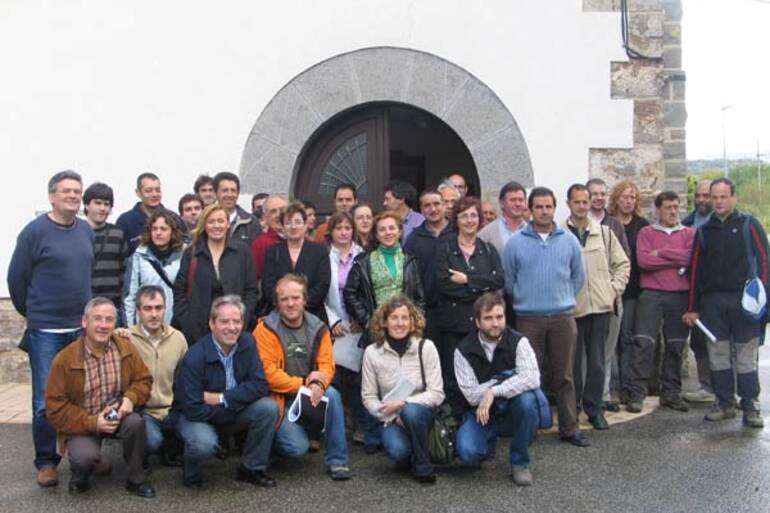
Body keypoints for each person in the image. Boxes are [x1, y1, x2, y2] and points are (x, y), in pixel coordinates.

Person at [7, 170, 94, 487]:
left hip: (81, 331)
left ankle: (83, 456)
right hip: (45, 331)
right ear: (52, 196)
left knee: (82, 397)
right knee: (45, 401)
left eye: (77, 191)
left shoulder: (85, 230)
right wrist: (34, 314)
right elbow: (16, 280)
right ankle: (46, 462)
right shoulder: (34, 232)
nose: (73, 196)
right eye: (67, 191)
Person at [502, 187, 589, 447]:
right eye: (538, 207)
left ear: (554, 208)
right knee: (529, 375)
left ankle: (569, 427)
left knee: (564, 375)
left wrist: (562, 299)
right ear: (530, 209)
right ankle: (530, 427)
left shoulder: (569, 241)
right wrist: (526, 299)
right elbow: (509, 279)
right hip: (528, 319)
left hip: (562, 317)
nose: (543, 211)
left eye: (548, 207)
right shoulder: (515, 242)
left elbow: (578, 276)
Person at [45, 298, 155, 497]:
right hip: (84, 421)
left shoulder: (126, 348)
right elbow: (55, 408)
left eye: (109, 320)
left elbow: (144, 380)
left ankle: (135, 480)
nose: (104, 325)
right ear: (85, 322)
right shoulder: (64, 360)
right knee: (84, 457)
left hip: (118, 415)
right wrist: (94, 422)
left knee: (136, 422)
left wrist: (130, 398)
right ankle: (81, 474)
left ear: (115, 324)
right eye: (98, 319)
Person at [684, 178, 769, 428]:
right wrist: (692, 307)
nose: (718, 201)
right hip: (713, 304)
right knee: (718, 356)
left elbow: (765, 263)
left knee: (745, 355)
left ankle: (750, 405)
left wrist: (763, 303)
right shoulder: (704, 230)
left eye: (723, 196)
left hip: (744, 302)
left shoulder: (748, 224)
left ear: (733, 198)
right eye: (715, 197)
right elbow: (695, 271)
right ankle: (724, 403)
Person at [254, 274, 352, 480]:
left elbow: (327, 364)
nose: (290, 303)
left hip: (308, 394)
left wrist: (318, 382)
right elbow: (268, 373)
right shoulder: (264, 329)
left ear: (305, 300)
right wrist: (303, 384)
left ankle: (338, 461)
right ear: (276, 303)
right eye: (284, 299)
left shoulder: (318, 327)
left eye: (296, 298)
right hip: (278, 399)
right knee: (297, 448)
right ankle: (274, 443)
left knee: (332, 394)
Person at [173, 295, 278, 488]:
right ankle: (191, 472)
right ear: (212, 324)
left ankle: (251, 468)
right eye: (224, 322)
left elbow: (260, 386)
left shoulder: (247, 342)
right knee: (203, 443)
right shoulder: (195, 356)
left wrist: (222, 398)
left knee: (268, 408)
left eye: (236, 321)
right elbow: (192, 408)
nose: (232, 327)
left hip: (226, 409)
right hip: (196, 418)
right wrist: (232, 405)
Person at [452, 292, 540, 487]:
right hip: (481, 413)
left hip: (512, 408)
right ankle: (488, 439)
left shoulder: (519, 341)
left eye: (499, 317)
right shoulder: (463, 350)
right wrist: (508, 378)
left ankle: (520, 462)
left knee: (527, 401)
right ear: (477, 322)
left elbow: (532, 378)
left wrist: (494, 391)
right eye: (488, 318)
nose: (495, 323)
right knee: (468, 454)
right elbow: (472, 395)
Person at [563, 184, 629, 430]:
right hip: (572, 308)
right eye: (577, 202)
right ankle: (574, 408)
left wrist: (612, 290)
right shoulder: (560, 235)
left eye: (585, 201)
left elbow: (622, 264)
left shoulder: (604, 234)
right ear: (569, 204)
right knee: (572, 363)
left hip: (600, 307)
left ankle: (594, 409)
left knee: (597, 362)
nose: (582, 206)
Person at [361, 295, 444, 484]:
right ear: (384, 322)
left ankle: (423, 466)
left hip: (422, 414)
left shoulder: (426, 347)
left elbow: (437, 393)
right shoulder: (372, 353)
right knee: (397, 451)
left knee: (411, 412)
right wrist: (390, 415)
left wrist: (404, 405)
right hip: (391, 417)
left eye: (405, 318)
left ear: (412, 321)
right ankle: (408, 454)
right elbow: (369, 396)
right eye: (394, 318)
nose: (400, 323)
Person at [625, 191, 695, 413]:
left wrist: (662, 252)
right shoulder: (646, 232)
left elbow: (690, 258)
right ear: (658, 209)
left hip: (679, 295)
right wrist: (675, 258)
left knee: (675, 346)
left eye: (676, 206)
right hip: (651, 295)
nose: (673, 211)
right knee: (644, 343)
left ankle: (671, 393)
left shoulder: (689, 233)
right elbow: (644, 261)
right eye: (668, 207)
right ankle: (637, 393)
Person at [435, 196, 505, 408]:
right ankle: (456, 422)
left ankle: (483, 418)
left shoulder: (488, 249)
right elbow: (444, 285)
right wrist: (480, 290)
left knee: (482, 373)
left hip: (482, 326)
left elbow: (498, 280)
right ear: (456, 219)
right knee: (454, 376)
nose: (469, 220)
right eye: (464, 216)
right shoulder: (445, 248)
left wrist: (467, 280)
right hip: (453, 324)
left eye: (473, 215)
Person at [323, 212, 376, 446]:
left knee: (358, 378)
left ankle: (361, 425)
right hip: (333, 326)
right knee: (334, 377)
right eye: (339, 228)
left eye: (347, 228)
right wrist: (333, 320)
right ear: (331, 232)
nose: (344, 232)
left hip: (358, 326)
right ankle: (335, 425)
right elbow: (320, 294)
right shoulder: (323, 258)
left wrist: (361, 318)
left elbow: (368, 291)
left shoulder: (363, 256)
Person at [173, 204, 259, 344]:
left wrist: (244, 318)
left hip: (234, 327)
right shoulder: (192, 252)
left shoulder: (242, 251)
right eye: (211, 221)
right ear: (204, 225)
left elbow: (251, 290)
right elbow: (180, 289)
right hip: (198, 330)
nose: (216, 226)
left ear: (227, 224)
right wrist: (187, 322)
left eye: (220, 221)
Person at [344, 212, 425, 348]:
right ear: (376, 235)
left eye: (392, 228)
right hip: (377, 329)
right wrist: (366, 320)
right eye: (382, 229)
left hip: (405, 326)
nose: (388, 233)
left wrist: (415, 321)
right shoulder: (364, 261)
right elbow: (349, 293)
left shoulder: (410, 259)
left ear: (399, 232)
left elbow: (420, 296)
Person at [127, 285, 188, 465]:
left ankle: (170, 447)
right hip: (144, 411)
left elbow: (184, 378)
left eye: (158, 308)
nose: (154, 314)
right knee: (152, 442)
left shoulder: (178, 338)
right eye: (148, 308)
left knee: (199, 439)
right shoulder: (126, 338)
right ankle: (143, 456)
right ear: (138, 311)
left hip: (171, 410)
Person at [606, 180, 649, 410]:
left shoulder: (643, 225)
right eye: (624, 196)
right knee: (611, 341)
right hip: (611, 290)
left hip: (633, 290)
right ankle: (613, 386)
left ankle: (628, 386)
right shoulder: (608, 223)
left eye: (632, 197)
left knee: (628, 339)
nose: (628, 201)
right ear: (616, 199)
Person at [261, 202, 331, 322]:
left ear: (305, 225)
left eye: (298, 222)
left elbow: (323, 283)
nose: (293, 226)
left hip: (313, 316)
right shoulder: (273, 252)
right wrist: (286, 306)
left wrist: (299, 306)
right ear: (282, 227)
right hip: (280, 317)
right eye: (288, 222)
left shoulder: (319, 250)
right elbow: (268, 285)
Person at [403, 189, 455, 342]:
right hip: (427, 313)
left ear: (444, 206)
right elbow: (409, 278)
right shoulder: (413, 239)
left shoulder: (457, 233)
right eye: (427, 206)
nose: (433, 209)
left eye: (437, 204)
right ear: (421, 210)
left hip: (455, 310)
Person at [681, 178, 715, 404]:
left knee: (721, 342)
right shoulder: (688, 222)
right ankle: (707, 387)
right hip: (693, 291)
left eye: (706, 196)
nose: (701, 200)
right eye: (698, 195)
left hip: (715, 292)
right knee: (698, 341)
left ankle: (729, 390)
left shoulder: (725, 222)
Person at [124, 209, 185, 327]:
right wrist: (130, 330)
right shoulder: (139, 256)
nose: (158, 233)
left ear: (173, 232)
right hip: (145, 327)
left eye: (163, 229)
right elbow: (129, 296)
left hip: (176, 326)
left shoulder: (184, 255)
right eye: (154, 229)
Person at [83, 182, 130, 321]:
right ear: (86, 205)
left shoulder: (118, 234)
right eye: (97, 203)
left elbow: (125, 271)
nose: (103, 208)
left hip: (112, 307)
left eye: (107, 204)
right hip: (84, 307)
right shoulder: (76, 233)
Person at [116, 173, 184, 255]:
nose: (154, 194)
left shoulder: (174, 218)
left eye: (158, 190)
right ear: (138, 193)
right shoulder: (125, 221)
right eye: (149, 191)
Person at [478, 181, 528, 256]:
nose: (517, 204)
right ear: (501, 203)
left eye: (521, 200)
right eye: (513, 200)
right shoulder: (486, 234)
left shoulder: (533, 232)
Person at [213, 171, 262, 247]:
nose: (229, 195)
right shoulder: (206, 220)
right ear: (215, 193)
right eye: (225, 190)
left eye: (233, 191)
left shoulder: (251, 222)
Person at [251, 195, 288, 279]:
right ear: (265, 217)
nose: (278, 215)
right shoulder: (260, 244)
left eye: (282, 210)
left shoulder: (300, 240)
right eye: (273, 211)